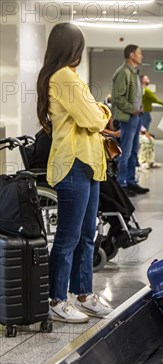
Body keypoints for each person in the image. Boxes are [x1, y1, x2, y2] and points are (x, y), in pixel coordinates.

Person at [36, 23, 113, 323]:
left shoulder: (69, 76)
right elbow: (93, 118)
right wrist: (104, 111)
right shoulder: (63, 78)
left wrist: (97, 111)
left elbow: (90, 115)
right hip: (72, 164)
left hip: (90, 163)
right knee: (68, 237)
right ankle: (56, 299)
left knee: (87, 235)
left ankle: (83, 294)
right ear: (70, 48)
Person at [111, 44, 149, 196]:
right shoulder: (123, 73)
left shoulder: (133, 73)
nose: (141, 56)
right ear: (132, 55)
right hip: (128, 117)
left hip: (136, 116)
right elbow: (118, 97)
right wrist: (132, 109)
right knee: (125, 152)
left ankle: (131, 181)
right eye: (140, 53)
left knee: (134, 151)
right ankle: (121, 183)